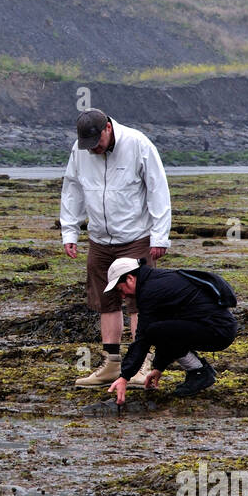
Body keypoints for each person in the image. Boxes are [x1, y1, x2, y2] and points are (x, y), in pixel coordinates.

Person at [59, 108, 172, 388]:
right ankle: (111, 364)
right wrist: (69, 231)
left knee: (138, 303)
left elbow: (158, 189)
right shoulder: (80, 150)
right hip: (99, 239)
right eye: (88, 145)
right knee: (104, 302)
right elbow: (72, 189)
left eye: (96, 143)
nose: (93, 150)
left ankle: (141, 365)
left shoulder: (138, 144)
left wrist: (160, 237)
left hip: (135, 237)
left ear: (107, 129)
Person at [101, 256, 238, 405]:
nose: (122, 296)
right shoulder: (157, 280)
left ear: (130, 278)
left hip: (217, 331)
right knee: (159, 329)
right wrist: (159, 367)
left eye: (120, 290)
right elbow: (170, 330)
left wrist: (124, 377)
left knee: (153, 331)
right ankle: (198, 371)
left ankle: (199, 372)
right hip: (219, 328)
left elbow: (143, 338)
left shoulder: (151, 290)